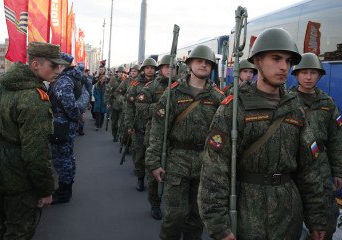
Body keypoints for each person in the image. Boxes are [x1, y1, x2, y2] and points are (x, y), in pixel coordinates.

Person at [198, 28, 327, 240]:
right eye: (276, 59)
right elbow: (214, 169)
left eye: (288, 61)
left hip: (288, 213)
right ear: (257, 61)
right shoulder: (234, 107)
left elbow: (309, 169)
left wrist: (317, 218)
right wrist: (219, 226)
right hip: (247, 211)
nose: (284, 67)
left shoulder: (295, 108)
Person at [0, 42, 65, 239]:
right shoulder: (33, 97)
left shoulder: (3, 86)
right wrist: (46, 189)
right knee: (20, 230)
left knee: (3, 225)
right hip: (20, 173)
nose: (58, 70)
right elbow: (36, 152)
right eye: (53, 66)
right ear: (36, 64)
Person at [145, 45, 224, 239]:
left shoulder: (218, 97)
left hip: (205, 162)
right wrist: (154, 162)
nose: (203, 65)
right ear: (190, 64)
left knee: (196, 218)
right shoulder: (173, 93)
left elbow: (222, 135)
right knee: (174, 215)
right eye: (199, 61)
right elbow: (158, 128)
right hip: (177, 160)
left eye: (207, 63)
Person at [290, 52, 342, 239]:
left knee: (326, 220)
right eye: (304, 72)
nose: (309, 77)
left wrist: (337, 172)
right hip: (291, 167)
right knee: (288, 221)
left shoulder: (327, 104)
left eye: (313, 73)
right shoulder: (286, 101)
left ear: (320, 75)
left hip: (320, 167)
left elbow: (336, 140)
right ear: (296, 75)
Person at [135, 55, 176, 220]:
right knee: (154, 171)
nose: (169, 70)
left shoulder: (180, 87)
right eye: (166, 67)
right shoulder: (152, 87)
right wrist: (160, 109)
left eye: (172, 67)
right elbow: (140, 107)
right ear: (161, 69)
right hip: (155, 135)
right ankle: (155, 203)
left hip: (175, 137)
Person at [49, 52, 83, 204]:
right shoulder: (71, 78)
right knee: (67, 157)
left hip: (62, 125)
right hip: (65, 124)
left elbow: (69, 105)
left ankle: (64, 192)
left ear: (62, 65)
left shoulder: (64, 80)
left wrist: (76, 116)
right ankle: (65, 189)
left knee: (62, 159)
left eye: (56, 64)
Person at [125, 58, 157, 192]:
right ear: (143, 69)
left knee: (153, 155)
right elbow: (130, 106)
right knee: (139, 153)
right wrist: (129, 124)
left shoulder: (160, 83)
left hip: (155, 124)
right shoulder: (135, 84)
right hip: (139, 124)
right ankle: (140, 177)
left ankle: (153, 181)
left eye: (152, 68)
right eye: (147, 67)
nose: (150, 70)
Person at [104, 66, 126, 142]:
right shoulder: (113, 80)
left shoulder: (126, 80)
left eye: (122, 72)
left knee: (122, 123)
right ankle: (115, 135)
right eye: (119, 72)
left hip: (123, 105)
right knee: (114, 122)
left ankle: (121, 136)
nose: (121, 74)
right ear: (117, 73)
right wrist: (107, 102)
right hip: (114, 104)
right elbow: (107, 92)